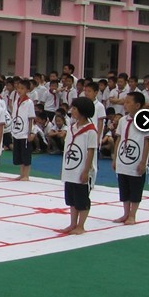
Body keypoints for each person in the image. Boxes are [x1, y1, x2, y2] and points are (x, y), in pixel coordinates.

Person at [57, 97, 98, 235]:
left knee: (82, 199)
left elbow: (91, 151)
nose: (72, 111)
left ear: (83, 111)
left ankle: (81, 225)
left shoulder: (91, 131)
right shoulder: (72, 128)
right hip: (70, 169)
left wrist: (86, 171)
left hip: (82, 169)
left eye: (74, 108)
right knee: (72, 199)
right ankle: (73, 223)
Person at [112, 91, 149, 225]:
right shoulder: (123, 120)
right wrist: (115, 157)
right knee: (124, 187)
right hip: (123, 158)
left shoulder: (145, 119)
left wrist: (143, 162)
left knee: (135, 188)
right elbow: (118, 139)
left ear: (137, 105)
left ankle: (132, 215)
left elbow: (147, 142)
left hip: (137, 159)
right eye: (125, 101)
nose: (125, 104)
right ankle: (125, 213)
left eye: (128, 102)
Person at [10, 79, 36, 182]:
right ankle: (21, 173)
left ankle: (26, 174)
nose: (19, 90)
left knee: (26, 154)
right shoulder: (17, 101)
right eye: (18, 88)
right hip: (17, 131)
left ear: (27, 90)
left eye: (22, 88)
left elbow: (31, 119)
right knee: (19, 154)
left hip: (25, 132)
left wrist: (31, 132)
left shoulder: (29, 102)